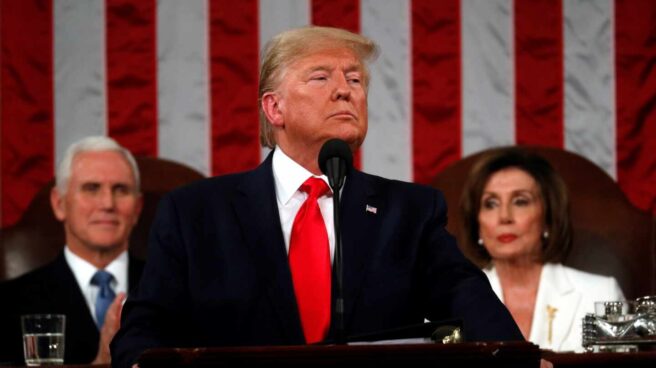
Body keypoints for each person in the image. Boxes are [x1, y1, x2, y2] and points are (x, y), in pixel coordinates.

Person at [111, 26, 524, 367]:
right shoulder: (196, 213)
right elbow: (146, 328)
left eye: (355, 79)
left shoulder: (409, 212)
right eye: (322, 77)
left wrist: (520, 360)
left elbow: (467, 300)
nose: (345, 90)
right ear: (274, 109)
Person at [459, 146, 625, 352]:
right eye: (490, 204)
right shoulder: (450, 303)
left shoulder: (600, 295)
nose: (504, 216)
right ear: (477, 223)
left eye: (520, 201)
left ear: (548, 218)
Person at [0, 136, 145, 365]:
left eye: (120, 189)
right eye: (91, 188)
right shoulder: (6, 305)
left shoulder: (174, 292)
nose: (107, 203)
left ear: (137, 208)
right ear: (59, 204)